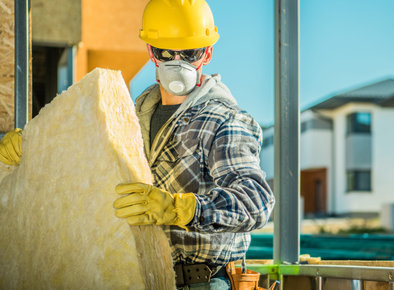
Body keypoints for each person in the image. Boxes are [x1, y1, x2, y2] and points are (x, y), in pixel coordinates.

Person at [0, 0, 275, 288]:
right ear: (151, 52)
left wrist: (181, 209)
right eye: (166, 52)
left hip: (203, 282)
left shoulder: (224, 122)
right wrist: (35, 148)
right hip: (141, 277)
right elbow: (83, 171)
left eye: (189, 53)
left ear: (207, 52)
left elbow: (256, 200)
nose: (176, 63)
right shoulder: (129, 118)